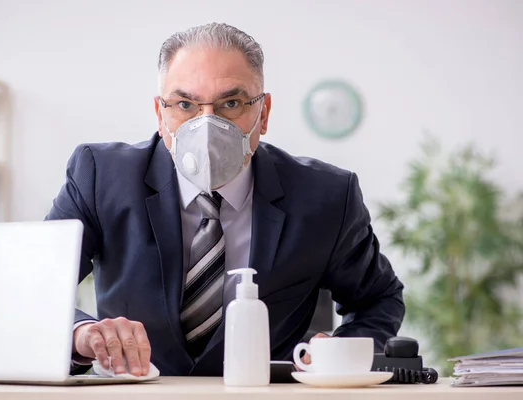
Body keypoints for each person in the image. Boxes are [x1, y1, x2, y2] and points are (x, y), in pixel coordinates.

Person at [46, 22, 405, 377]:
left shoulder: (325, 197)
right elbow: (37, 288)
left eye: (230, 102)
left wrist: (341, 351)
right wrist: (81, 334)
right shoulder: (100, 177)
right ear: (160, 114)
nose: (206, 125)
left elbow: (378, 300)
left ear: (262, 114)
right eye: (185, 103)